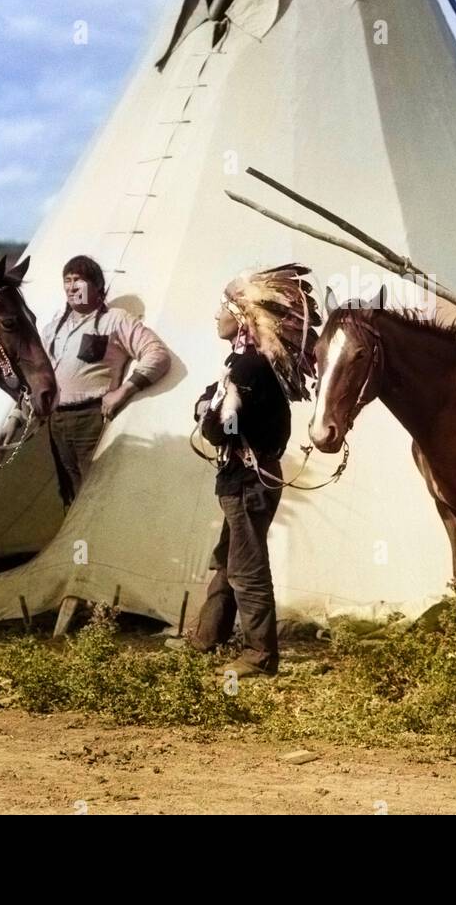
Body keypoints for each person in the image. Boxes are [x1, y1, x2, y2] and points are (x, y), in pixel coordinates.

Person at [175, 265, 318, 678]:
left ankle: (260, 654)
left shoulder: (248, 369)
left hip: (247, 483)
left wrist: (209, 415)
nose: (215, 316)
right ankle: (208, 637)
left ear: (241, 316)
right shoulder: (247, 364)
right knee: (229, 559)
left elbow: (219, 429)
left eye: (223, 308)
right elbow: (209, 400)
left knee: (247, 568)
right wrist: (210, 406)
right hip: (247, 480)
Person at [42, 255, 171, 506]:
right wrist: (17, 416)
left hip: (90, 418)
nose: (71, 287)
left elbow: (157, 354)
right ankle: (74, 545)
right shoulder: (53, 328)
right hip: (56, 420)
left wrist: (125, 390)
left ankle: (93, 545)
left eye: (78, 280)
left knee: (95, 492)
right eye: (67, 281)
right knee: (69, 491)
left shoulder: (116, 319)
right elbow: (39, 374)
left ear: (97, 285)